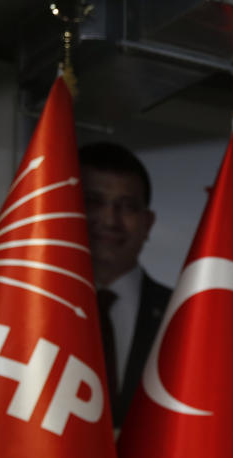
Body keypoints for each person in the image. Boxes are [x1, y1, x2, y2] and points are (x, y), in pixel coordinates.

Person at [79, 142, 172, 428]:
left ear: (148, 223)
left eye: (127, 206)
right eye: (93, 202)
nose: (109, 219)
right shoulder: (25, 307)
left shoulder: (185, 315)